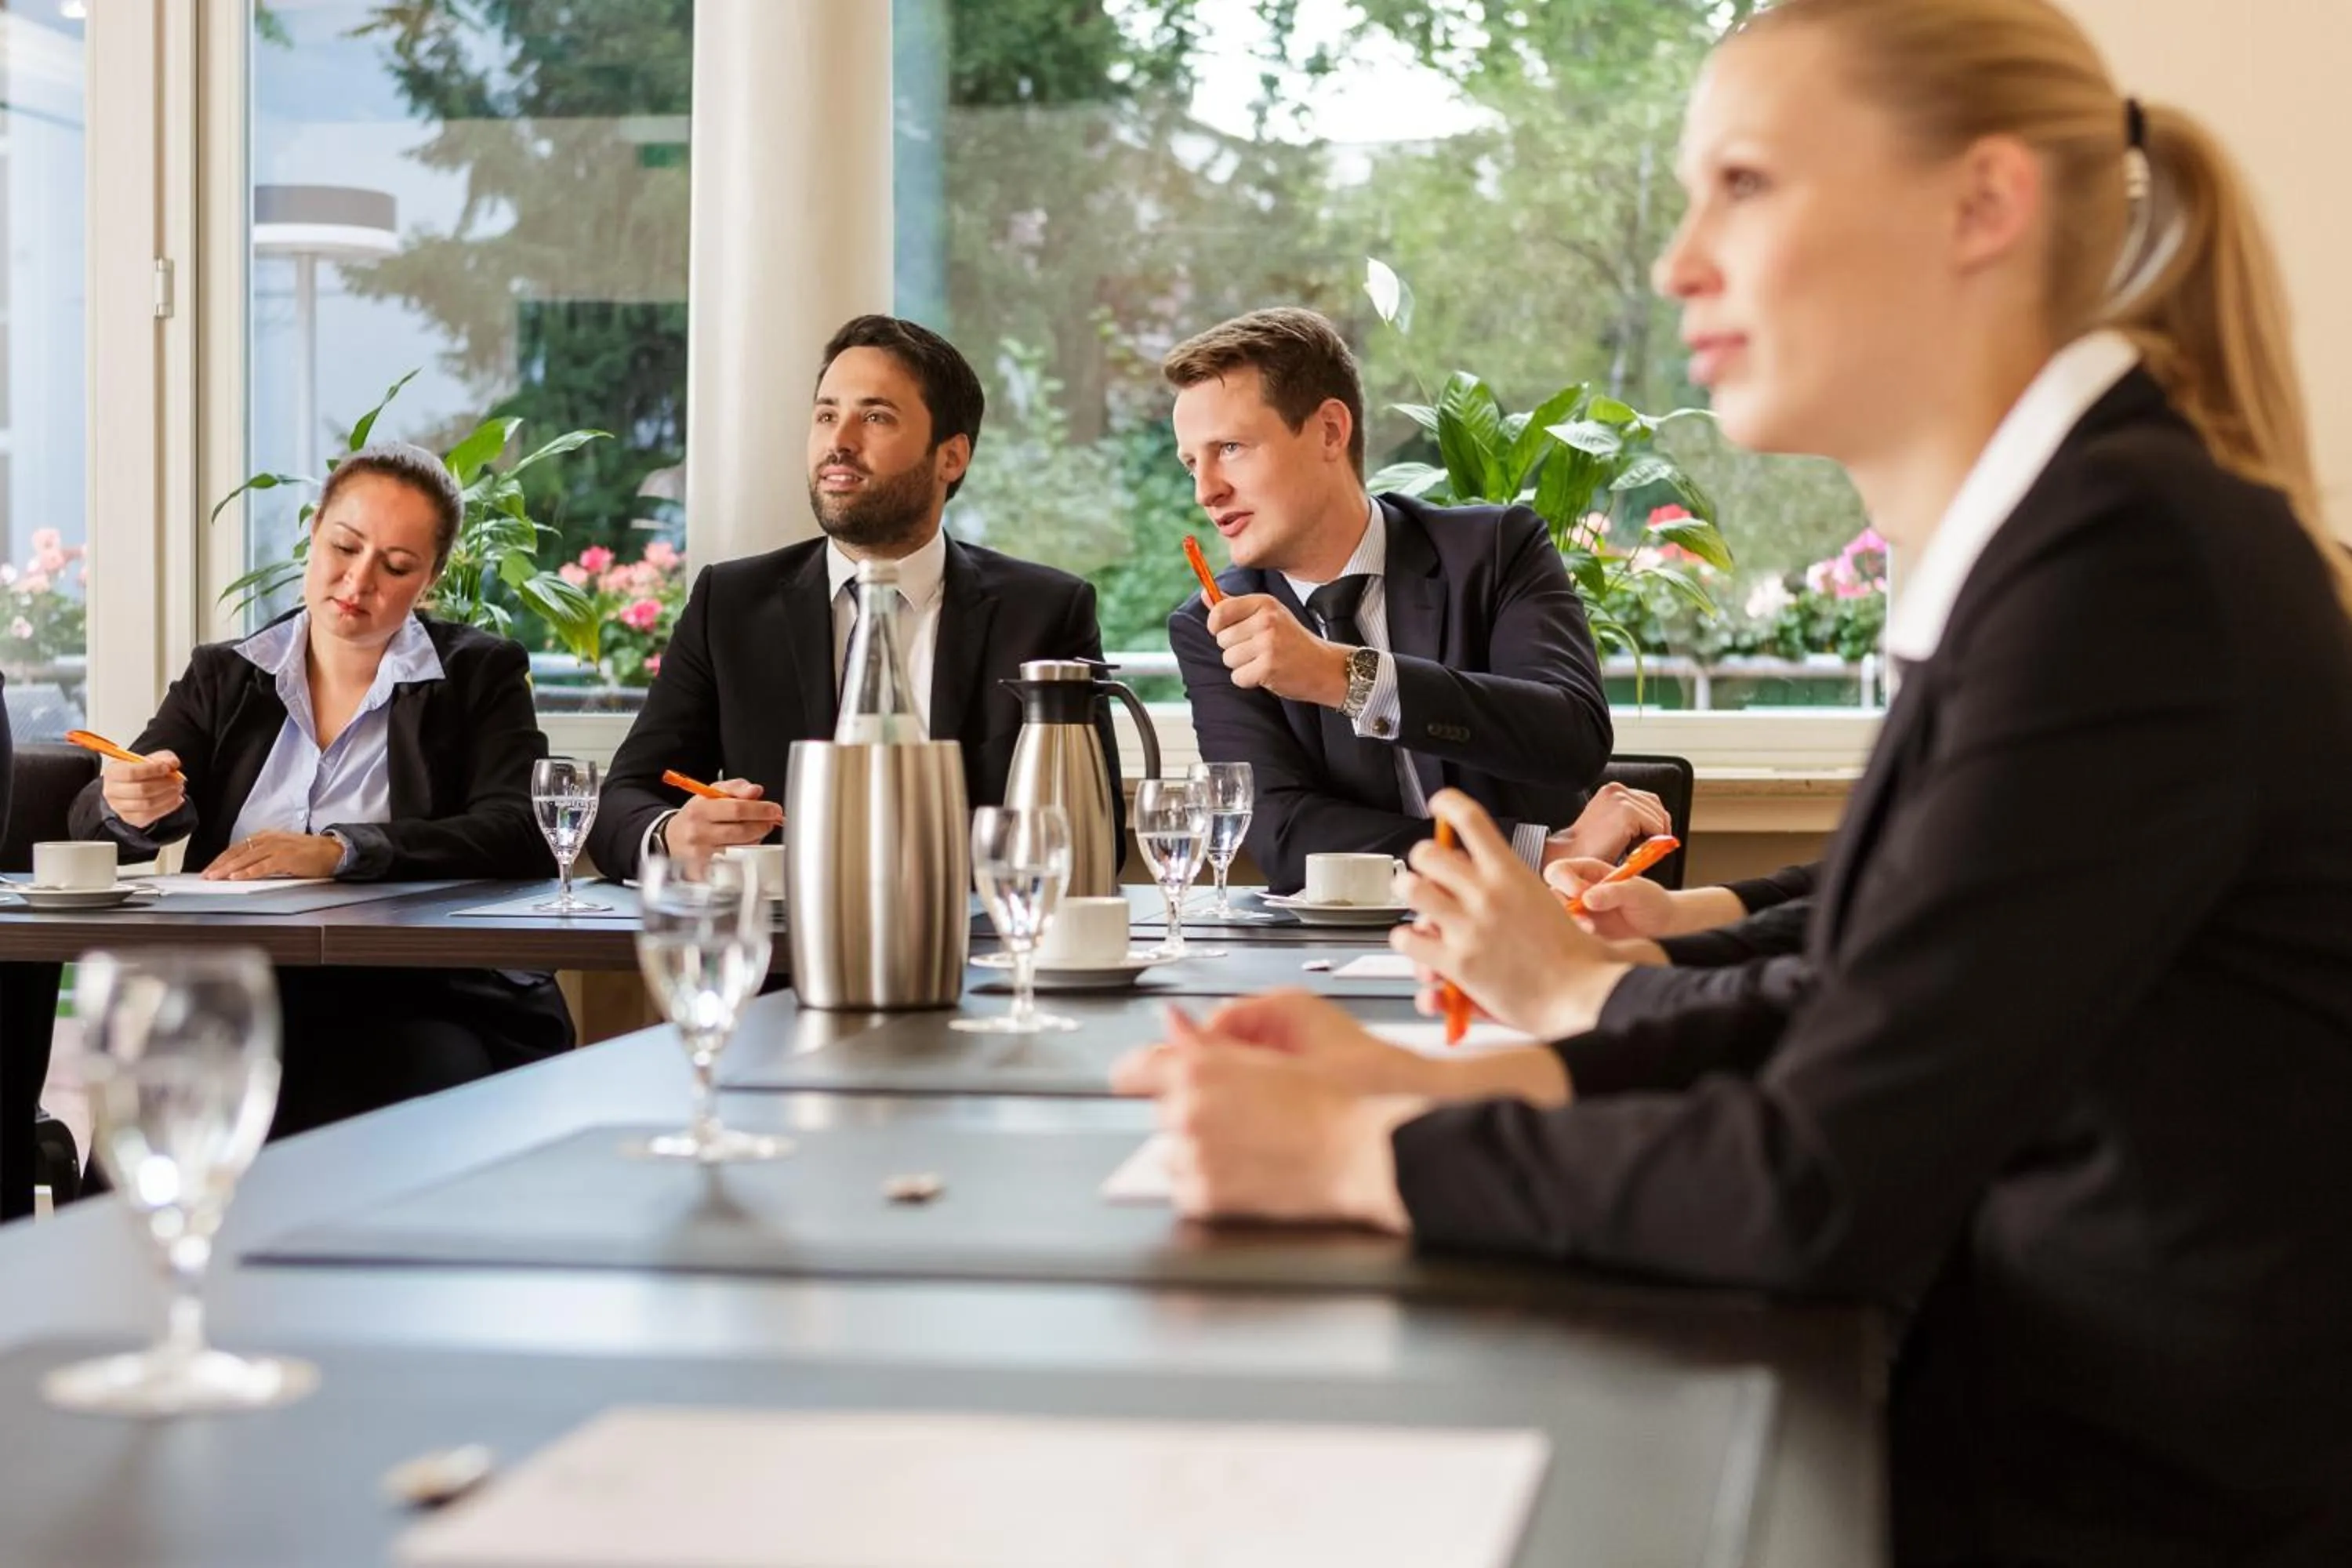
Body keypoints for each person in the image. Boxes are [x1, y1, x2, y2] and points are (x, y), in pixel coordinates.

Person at [1116, 2, 2352, 1561]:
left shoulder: (2127, 576)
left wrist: (1359, 1155)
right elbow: (1860, 1001)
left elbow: (1816, 1171)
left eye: (1746, 185)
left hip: (2121, 1497)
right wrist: (1439, 1080)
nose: (1677, 261)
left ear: (1982, 206)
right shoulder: (2074, 545)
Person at [70, 442, 573, 1137]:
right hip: (237, 990)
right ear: (313, 533)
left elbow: (521, 830)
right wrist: (127, 803)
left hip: (418, 996)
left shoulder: (478, 675)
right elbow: (97, 825)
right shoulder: (227, 676)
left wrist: (342, 851)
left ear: (429, 579)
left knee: (382, 1082)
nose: (357, 582)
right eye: (345, 547)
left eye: (396, 567)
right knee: (150, 1105)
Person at [588, 315, 1120, 880]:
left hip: (978, 956)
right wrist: (673, 835)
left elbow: (1091, 839)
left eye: (874, 417)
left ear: (951, 457)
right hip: (782, 958)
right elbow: (624, 802)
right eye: (825, 415)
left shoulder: (1044, 613)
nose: (838, 442)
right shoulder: (732, 603)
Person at [1163, 307, 1613, 894]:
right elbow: (1287, 839)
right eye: (1192, 462)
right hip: (1334, 959)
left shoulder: (1496, 551)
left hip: (1534, 940)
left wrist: (1346, 677)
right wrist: (1537, 851)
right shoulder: (1214, 625)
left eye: (1231, 448)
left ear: (1329, 431)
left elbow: (1571, 738)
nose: (1206, 490)